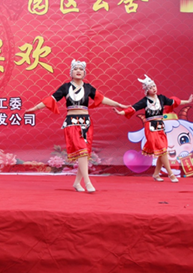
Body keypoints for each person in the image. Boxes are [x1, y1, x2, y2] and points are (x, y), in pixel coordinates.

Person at [25, 59, 129, 192]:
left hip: (86, 122)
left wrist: (118, 104)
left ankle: (77, 183)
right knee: (82, 151)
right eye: (75, 69)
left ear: (84, 73)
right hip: (72, 122)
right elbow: (51, 99)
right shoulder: (65, 87)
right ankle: (88, 182)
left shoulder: (88, 88)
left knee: (84, 153)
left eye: (81, 69)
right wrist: (35, 108)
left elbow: (101, 98)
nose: (78, 71)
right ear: (71, 72)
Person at [114, 74, 193, 182]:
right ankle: (171, 174)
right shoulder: (145, 101)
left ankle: (156, 174)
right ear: (147, 90)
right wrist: (121, 113)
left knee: (163, 150)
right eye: (151, 87)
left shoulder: (161, 98)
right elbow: (133, 108)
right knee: (162, 149)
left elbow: (174, 102)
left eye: (154, 86)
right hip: (150, 127)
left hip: (160, 126)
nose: (154, 89)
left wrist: (187, 101)